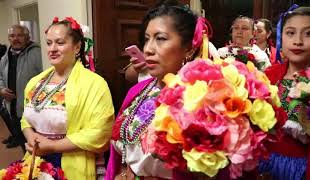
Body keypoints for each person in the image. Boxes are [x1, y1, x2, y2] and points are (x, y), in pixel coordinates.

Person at [105, 1, 203, 179]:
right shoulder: (138, 91)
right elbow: (118, 155)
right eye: (146, 39)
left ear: (188, 48)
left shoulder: (198, 100)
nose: (148, 49)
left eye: (161, 39)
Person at [21, 17, 115, 180]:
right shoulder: (35, 83)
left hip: (72, 162)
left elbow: (101, 132)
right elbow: (25, 118)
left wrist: (53, 146)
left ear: (77, 47)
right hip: (37, 159)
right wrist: (31, 137)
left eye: (60, 42)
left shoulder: (95, 84)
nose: (52, 49)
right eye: (49, 43)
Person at [259, 6, 310, 180]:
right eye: (290, 33)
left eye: (309, 33)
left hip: (303, 169)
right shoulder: (267, 76)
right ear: (281, 38)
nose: (298, 41)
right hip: (261, 163)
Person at [0, 25, 42, 148]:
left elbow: (47, 77)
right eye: (12, 36)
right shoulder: (6, 57)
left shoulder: (37, 54)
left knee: (32, 140)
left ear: (27, 37)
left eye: (20, 35)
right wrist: (1, 89)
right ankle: (17, 140)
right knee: (16, 126)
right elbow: (0, 76)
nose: (16, 39)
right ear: (8, 38)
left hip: (31, 106)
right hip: (11, 103)